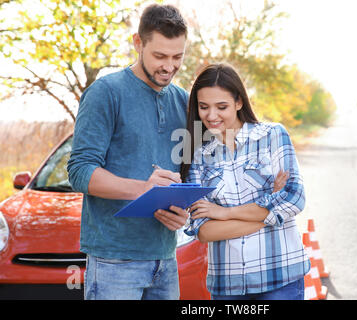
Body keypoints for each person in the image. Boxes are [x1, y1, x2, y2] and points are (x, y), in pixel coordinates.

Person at [67, 4, 190, 300]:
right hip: (114, 260)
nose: (169, 66)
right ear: (138, 43)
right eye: (160, 56)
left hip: (166, 257)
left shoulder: (184, 101)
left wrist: (182, 212)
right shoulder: (105, 92)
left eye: (177, 57)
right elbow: (80, 171)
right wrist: (144, 189)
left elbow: (188, 174)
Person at [181, 63, 311, 300]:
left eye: (222, 106)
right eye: (203, 107)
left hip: (280, 277)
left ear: (239, 102)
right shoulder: (198, 155)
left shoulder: (272, 135)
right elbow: (204, 230)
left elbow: (294, 198)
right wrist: (271, 212)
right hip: (228, 286)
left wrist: (222, 212)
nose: (211, 116)